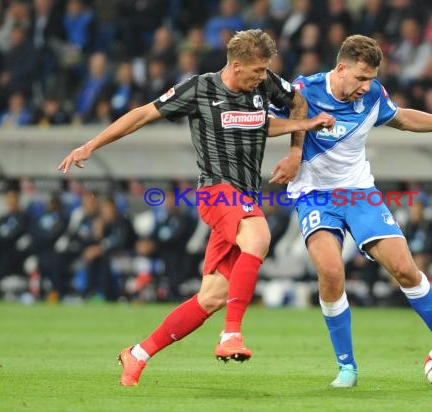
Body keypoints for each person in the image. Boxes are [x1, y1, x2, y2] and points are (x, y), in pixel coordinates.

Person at [57, 29, 334, 386]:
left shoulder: (264, 85)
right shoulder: (199, 89)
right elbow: (142, 115)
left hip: (245, 197)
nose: (264, 77)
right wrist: (90, 145)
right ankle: (231, 334)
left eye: (266, 71)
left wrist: (297, 149)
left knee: (212, 296)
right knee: (259, 234)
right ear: (236, 66)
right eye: (257, 71)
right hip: (215, 192)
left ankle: (137, 354)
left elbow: (292, 105)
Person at [270, 34, 432, 388]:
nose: (366, 86)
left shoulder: (372, 95)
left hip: (359, 193)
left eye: (371, 78)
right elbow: (268, 123)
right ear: (340, 69)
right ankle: (347, 367)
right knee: (330, 271)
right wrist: (297, 144)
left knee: (405, 268)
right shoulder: (303, 92)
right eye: (360, 77)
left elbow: (402, 118)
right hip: (314, 195)